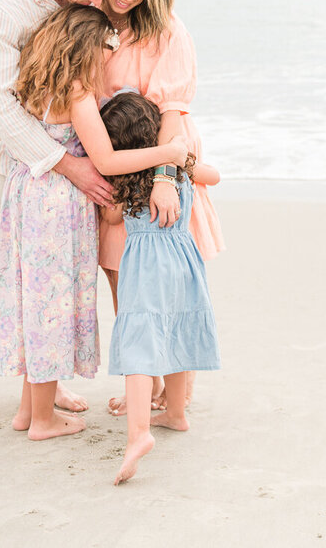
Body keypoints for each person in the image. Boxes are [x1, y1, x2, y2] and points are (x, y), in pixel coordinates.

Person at [0, 6, 189, 440]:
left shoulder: (34, 81)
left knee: (33, 297)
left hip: (27, 193)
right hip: (58, 207)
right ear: (87, 45)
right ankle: (43, 421)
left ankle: (28, 411)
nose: (109, 55)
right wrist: (168, 155)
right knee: (50, 307)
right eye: (107, 46)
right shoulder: (77, 93)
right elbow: (106, 159)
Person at [0, 0, 121, 427]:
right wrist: (69, 166)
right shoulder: (0, 6)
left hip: (51, 162)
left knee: (46, 277)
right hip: (3, 157)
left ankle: (41, 388)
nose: (97, 3)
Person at [97, 0, 225, 416]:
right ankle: (147, 384)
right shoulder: (91, 23)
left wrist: (166, 181)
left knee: (169, 282)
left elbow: (172, 112)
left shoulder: (169, 31)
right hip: (117, 167)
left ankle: (173, 392)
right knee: (122, 279)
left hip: (163, 159)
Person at [98, 92, 220, 482]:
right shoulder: (176, 169)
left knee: (140, 345)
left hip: (146, 270)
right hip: (185, 262)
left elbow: (113, 216)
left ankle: (138, 434)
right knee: (179, 331)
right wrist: (183, 157)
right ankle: (176, 413)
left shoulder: (127, 176)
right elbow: (213, 176)